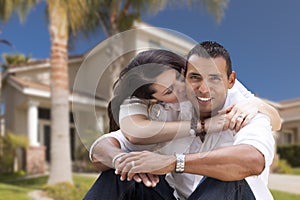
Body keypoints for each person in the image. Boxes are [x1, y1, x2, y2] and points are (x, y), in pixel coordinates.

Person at [85, 44, 278, 199]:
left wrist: (173, 162)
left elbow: (252, 160)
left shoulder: (242, 107)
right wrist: (122, 161)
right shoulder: (169, 110)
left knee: (228, 174)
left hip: (236, 194)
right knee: (121, 174)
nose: (202, 89)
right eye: (169, 91)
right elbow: (105, 146)